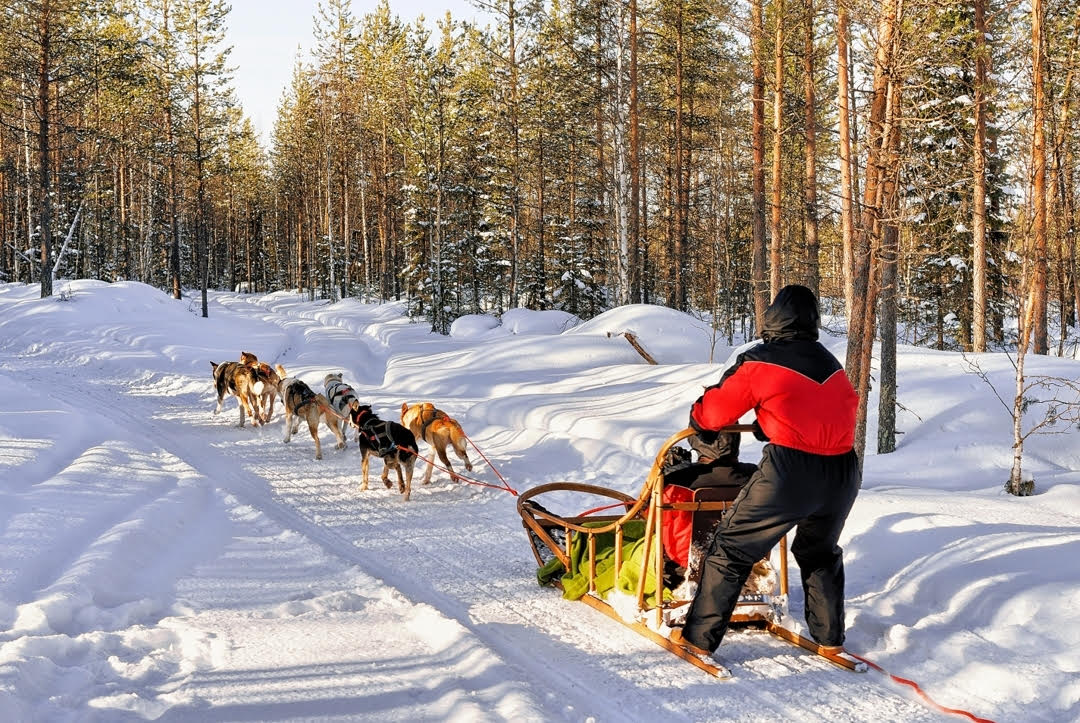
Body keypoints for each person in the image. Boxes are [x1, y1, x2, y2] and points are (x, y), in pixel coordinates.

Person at [671, 284, 860, 657]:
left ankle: (698, 641)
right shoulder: (831, 364)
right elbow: (815, 410)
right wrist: (768, 421)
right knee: (819, 552)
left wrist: (699, 416)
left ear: (772, 318)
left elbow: (714, 413)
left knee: (730, 548)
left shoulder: (762, 360)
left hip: (791, 472)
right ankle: (830, 639)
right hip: (843, 472)